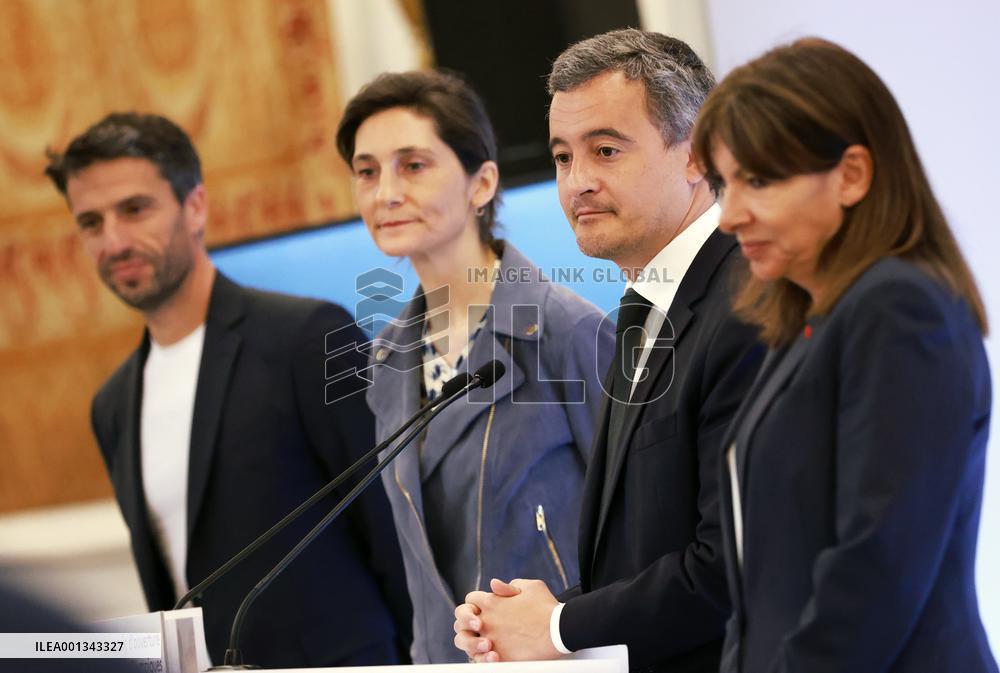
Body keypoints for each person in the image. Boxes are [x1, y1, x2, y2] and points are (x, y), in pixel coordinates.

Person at [44, 113, 411, 668]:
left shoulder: (309, 336)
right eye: (91, 222)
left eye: (135, 209)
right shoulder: (113, 405)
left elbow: (394, 533)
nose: (114, 240)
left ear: (195, 206)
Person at [454, 29, 764, 671]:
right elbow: (645, 554)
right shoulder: (637, 311)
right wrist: (532, 617)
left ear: (698, 153)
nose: (578, 183)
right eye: (564, 157)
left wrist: (561, 626)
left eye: (606, 150)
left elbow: (732, 563)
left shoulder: (747, 303)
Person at [690, 38, 996, 673]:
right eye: (726, 183)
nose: (730, 215)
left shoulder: (897, 309)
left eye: (760, 179)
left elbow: (873, 570)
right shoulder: (811, 319)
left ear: (853, 175)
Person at [334, 70, 615, 663]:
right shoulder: (387, 356)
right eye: (367, 171)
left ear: (481, 182)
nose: (385, 192)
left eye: (412, 165)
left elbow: (634, 531)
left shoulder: (567, 329)